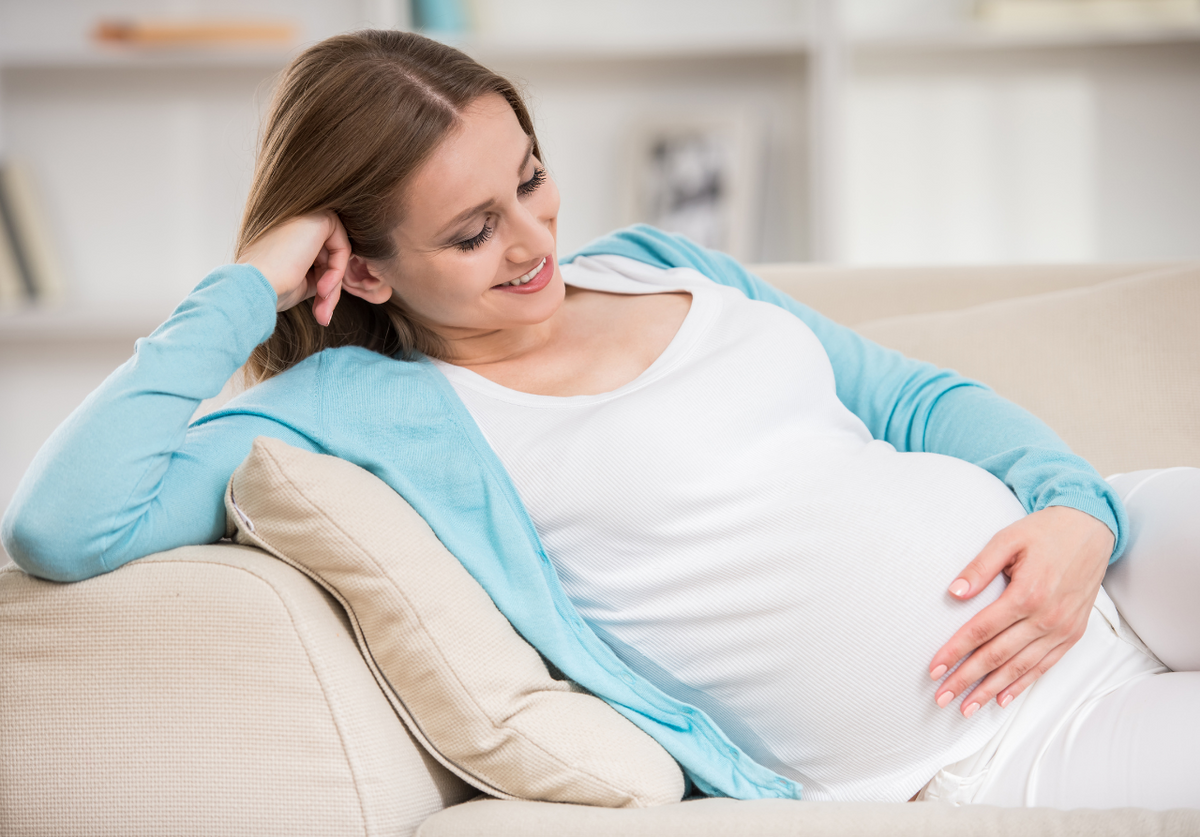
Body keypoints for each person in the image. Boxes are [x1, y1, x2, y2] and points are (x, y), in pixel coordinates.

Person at [2, 30, 1196, 809]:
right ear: (362, 269)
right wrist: (248, 282)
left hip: (1111, 558)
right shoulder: (356, 411)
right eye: (469, 233)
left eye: (527, 177)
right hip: (993, 748)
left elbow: (911, 397)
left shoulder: (656, 262)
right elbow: (66, 524)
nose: (531, 243)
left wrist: (1078, 512)